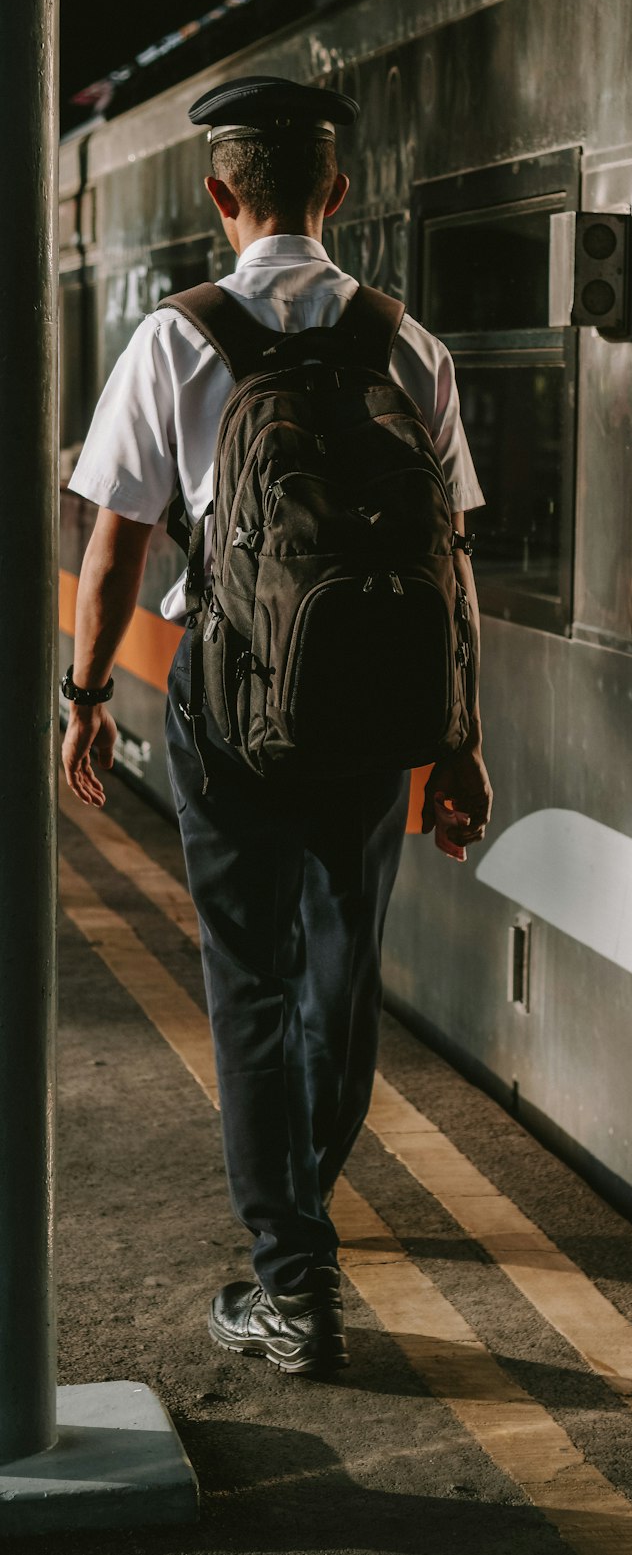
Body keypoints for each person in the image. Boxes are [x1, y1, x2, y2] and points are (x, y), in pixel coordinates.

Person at [62, 75, 493, 1375]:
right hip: (376, 718)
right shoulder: (409, 344)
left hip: (231, 713)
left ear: (220, 193)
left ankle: (292, 1283)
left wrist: (83, 700)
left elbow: (113, 547)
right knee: (338, 972)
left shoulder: (176, 338)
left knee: (248, 981)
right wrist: (458, 736)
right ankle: (303, 1222)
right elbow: (449, 562)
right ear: (338, 191)